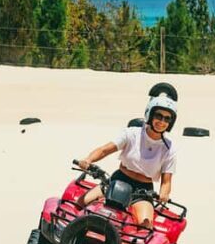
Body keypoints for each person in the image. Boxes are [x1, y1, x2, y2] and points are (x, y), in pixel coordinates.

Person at [76, 89, 178, 228]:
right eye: (158, 116)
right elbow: (104, 150)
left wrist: (163, 194)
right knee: (82, 203)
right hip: (118, 180)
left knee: (146, 225)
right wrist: (88, 160)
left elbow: (166, 182)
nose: (162, 121)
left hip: (143, 191)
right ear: (150, 114)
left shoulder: (169, 148)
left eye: (167, 119)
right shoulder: (132, 134)